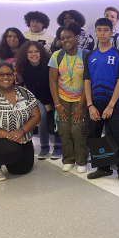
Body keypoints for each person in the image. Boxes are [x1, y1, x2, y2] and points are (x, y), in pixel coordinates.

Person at [84, 18, 119, 185]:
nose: (102, 33)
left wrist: (111, 105)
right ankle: (103, 168)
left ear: (112, 32)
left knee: (118, 137)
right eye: (99, 30)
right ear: (95, 32)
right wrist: (89, 105)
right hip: (94, 105)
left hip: (114, 105)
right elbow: (87, 81)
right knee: (94, 136)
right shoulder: (89, 55)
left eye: (106, 30)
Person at [48, 22, 89, 173]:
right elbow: (52, 81)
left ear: (77, 37)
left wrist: (80, 107)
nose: (66, 40)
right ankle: (68, 159)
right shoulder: (56, 56)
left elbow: (87, 82)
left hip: (80, 99)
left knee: (78, 131)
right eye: (63, 38)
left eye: (69, 37)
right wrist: (57, 105)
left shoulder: (86, 55)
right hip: (62, 99)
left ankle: (81, 160)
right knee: (64, 130)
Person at [16, 40, 62, 160]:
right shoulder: (23, 67)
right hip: (39, 97)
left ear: (41, 52)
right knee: (41, 116)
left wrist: (50, 103)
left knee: (56, 117)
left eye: (36, 51)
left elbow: (50, 84)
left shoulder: (48, 64)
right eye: (30, 52)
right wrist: (46, 103)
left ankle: (58, 146)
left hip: (54, 95)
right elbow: (33, 88)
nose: (34, 54)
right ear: (25, 54)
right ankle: (44, 146)